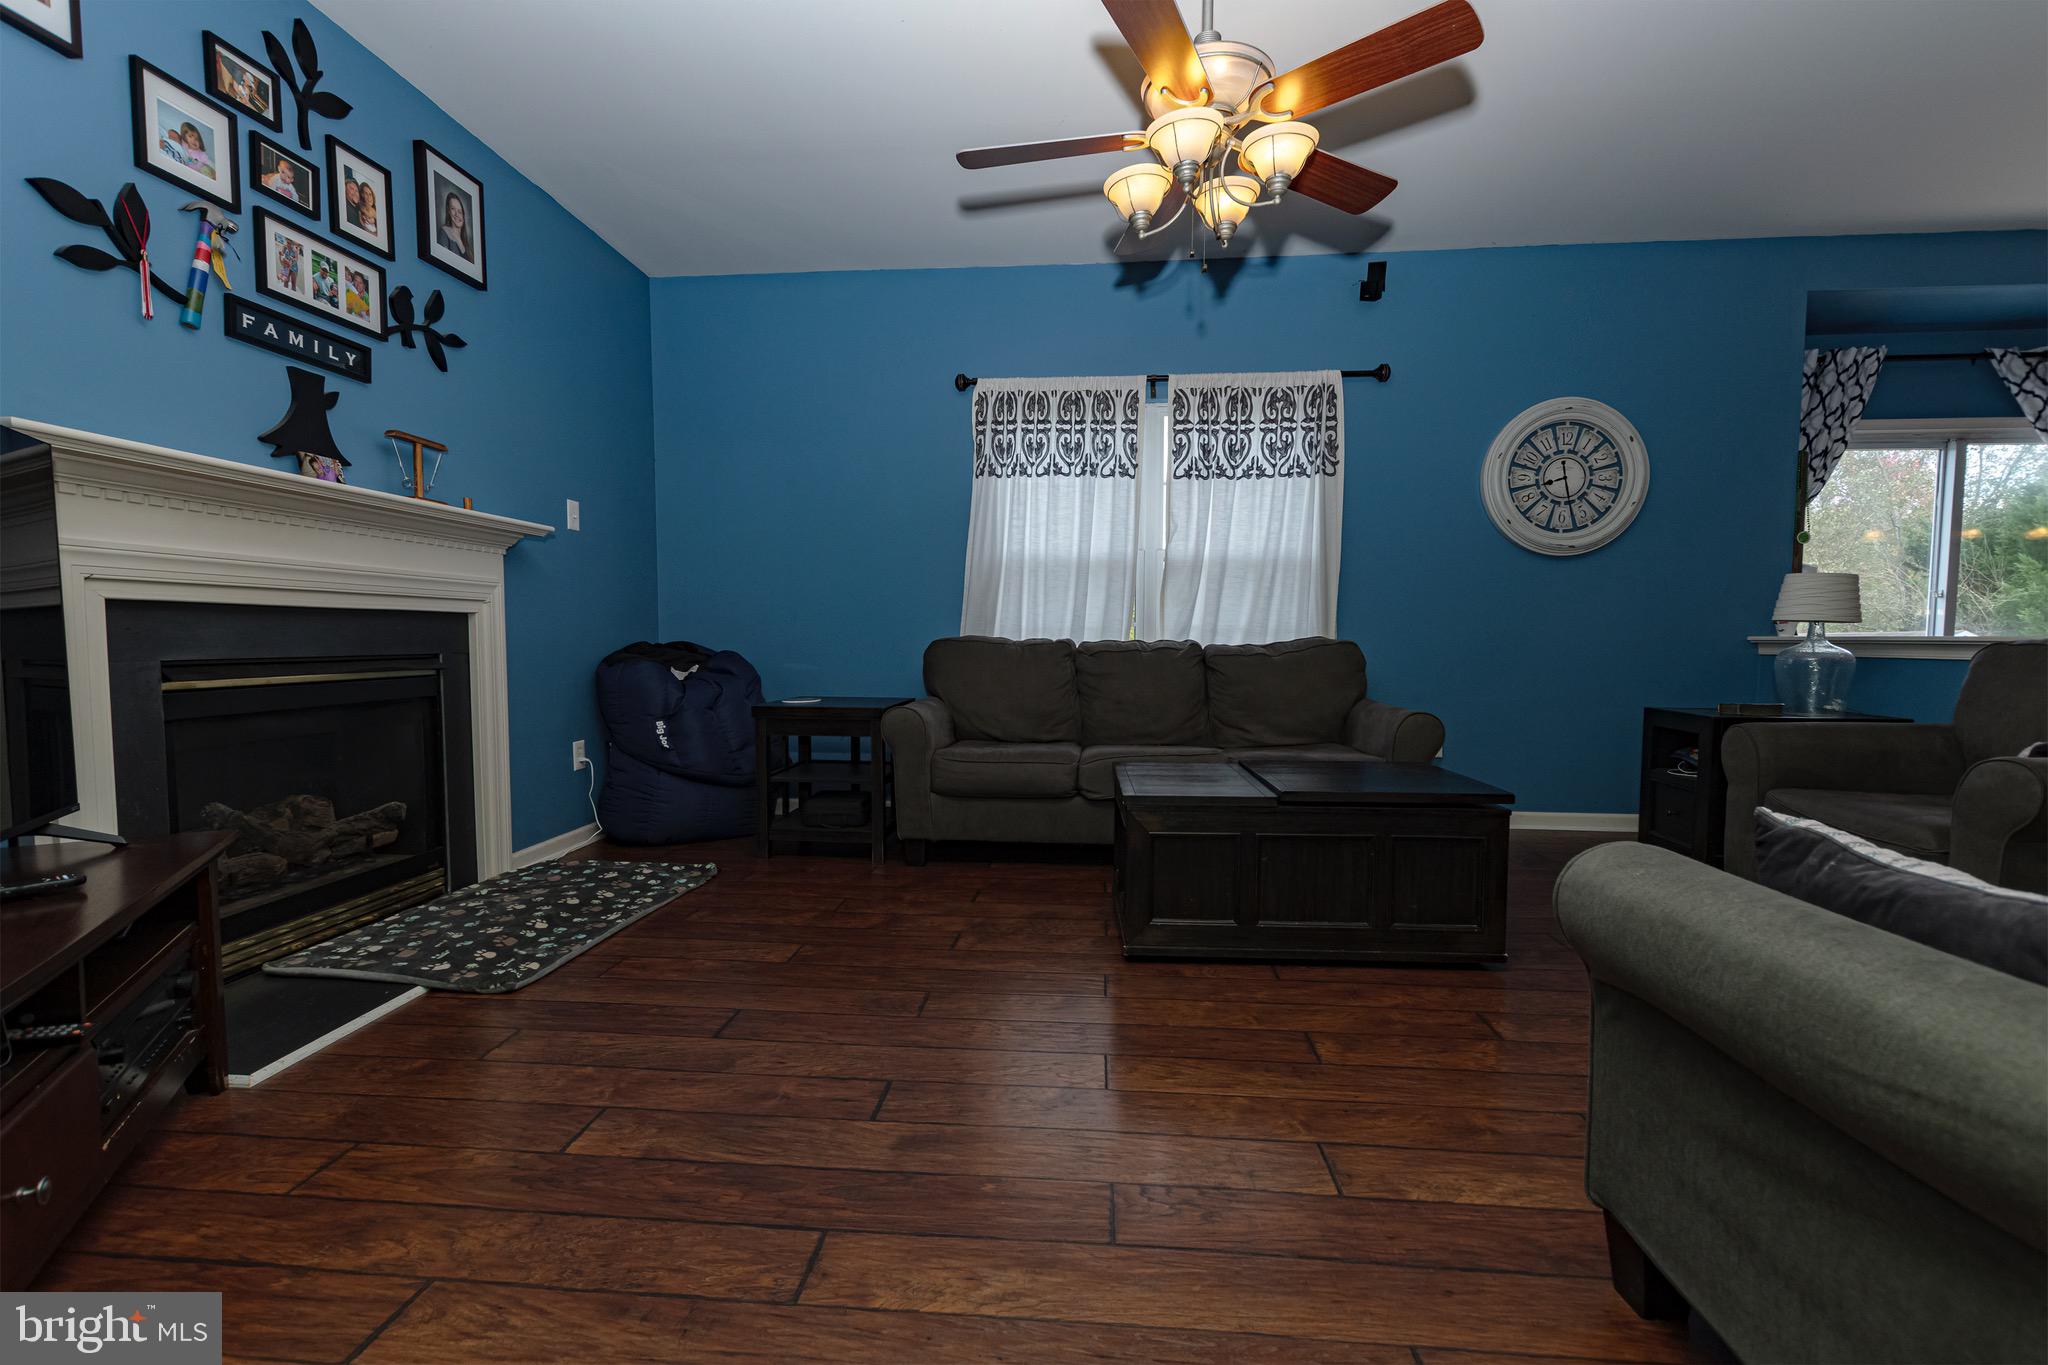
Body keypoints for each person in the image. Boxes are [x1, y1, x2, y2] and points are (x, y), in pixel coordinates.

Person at [437, 190, 470, 261]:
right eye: (453, 209)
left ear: (463, 215)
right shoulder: (444, 233)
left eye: (460, 211)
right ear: (448, 212)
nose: (457, 214)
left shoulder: (465, 243)